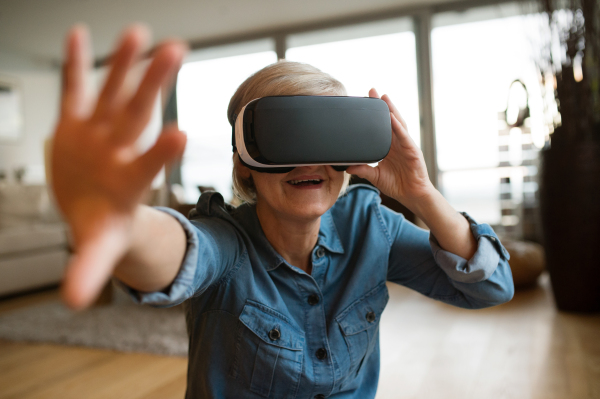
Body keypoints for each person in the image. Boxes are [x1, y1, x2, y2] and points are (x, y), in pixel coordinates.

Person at [52, 24, 514, 399]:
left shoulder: (371, 228)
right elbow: (183, 253)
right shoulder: (227, 242)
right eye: (285, 141)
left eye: (325, 140)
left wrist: (422, 193)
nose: (310, 162)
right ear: (245, 165)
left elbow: (491, 287)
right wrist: (127, 224)